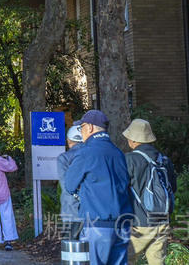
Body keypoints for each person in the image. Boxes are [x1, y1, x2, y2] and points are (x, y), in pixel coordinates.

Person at [64, 110, 132, 265]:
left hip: (97, 223)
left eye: (81, 127)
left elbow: (70, 185)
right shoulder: (118, 153)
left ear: (90, 127)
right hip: (122, 225)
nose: (81, 132)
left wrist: (81, 193)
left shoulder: (86, 152)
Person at [123, 119, 176, 265]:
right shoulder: (164, 159)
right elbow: (173, 188)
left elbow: (120, 189)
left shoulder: (129, 160)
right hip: (162, 220)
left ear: (133, 140)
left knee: (124, 259)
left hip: (138, 222)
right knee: (157, 262)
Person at [57, 124, 85, 236]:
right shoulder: (93, 155)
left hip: (71, 210)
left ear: (68, 141)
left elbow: (66, 186)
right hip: (93, 210)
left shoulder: (64, 158)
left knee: (70, 243)